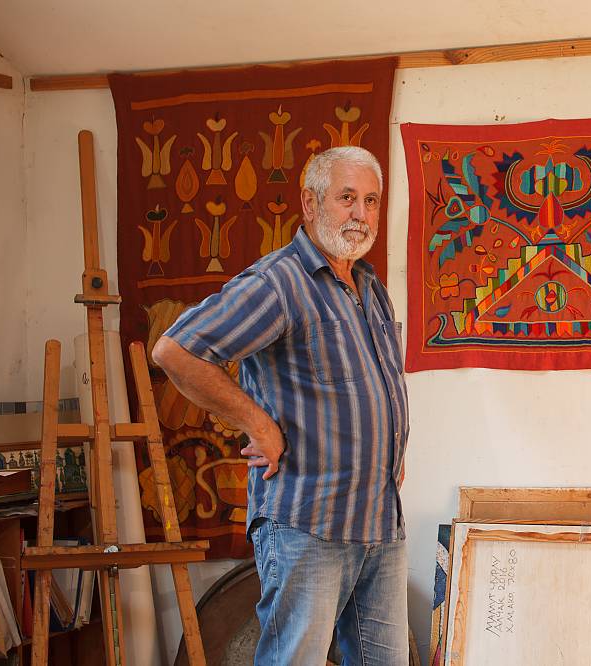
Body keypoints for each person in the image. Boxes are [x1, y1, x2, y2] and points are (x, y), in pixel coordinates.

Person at [152, 146, 409, 665]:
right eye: (347, 198)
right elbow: (175, 350)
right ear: (310, 204)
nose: (361, 213)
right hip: (306, 521)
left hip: (380, 521)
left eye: (372, 200)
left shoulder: (370, 287)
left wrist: (390, 450)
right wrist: (255, 421)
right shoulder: (279, 283)